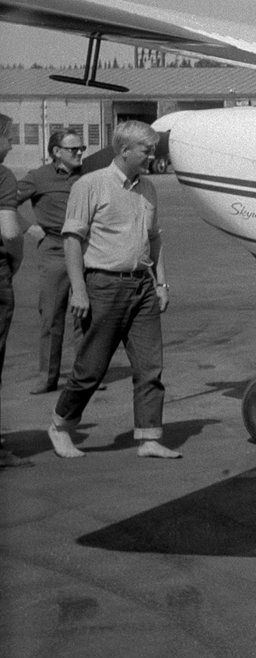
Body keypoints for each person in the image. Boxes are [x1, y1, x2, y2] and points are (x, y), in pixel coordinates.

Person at [47, 120, 178, 460]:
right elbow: (72, 239)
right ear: (124, 151)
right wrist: (78, 289)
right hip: (102, 286)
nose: (152, 157)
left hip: (142, 288)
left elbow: (154, 238)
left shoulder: (148, 188)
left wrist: (161, 284)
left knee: (150, 368)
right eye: (146, 151)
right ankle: (60, 426)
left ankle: (149, 438)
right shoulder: (90, 185)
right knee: (90, 369)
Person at [18, 129, 86, 394]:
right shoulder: (38, 178)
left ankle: (83, 377)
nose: (80, 152)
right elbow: (4, 203)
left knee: (85, 315)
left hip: (86, 249)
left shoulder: (88, 175)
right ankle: (48, 377)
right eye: (74, 149)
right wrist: (28, 227)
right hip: (55, 249)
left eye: (82, 148)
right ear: (57, 152)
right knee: (52, 315)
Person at [0, 114, 34, 468]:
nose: (10, 146)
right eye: (7, 138)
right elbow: (9, 231)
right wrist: (14, 262)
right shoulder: (3, 175)